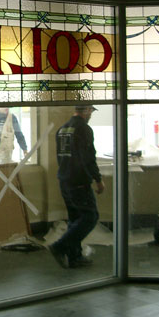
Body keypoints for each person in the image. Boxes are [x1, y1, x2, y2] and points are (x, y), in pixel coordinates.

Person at [48, 105, 105, 269]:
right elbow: (89, 157)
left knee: (75, 219)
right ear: (86, 110)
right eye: (91, 111)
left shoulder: (62, 129)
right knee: (90, 216)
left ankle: (75, 256)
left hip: (65, 179)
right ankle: (60, 246)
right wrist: (98, 179)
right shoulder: (84, 129)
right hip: (79, 181)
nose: (91, 114)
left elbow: (61, 157)